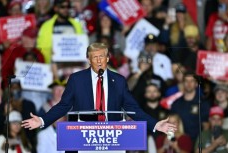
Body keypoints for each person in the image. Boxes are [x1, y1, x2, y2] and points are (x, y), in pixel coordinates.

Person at [22, 43, 177, 141]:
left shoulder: (119, 80)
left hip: (113, 138)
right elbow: (63, 106)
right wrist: (42, 120)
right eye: (94, 57)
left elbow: (133, 109)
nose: (98, 60)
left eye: (101, 56)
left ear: (108, 58)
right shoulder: (76, 79)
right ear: (88, 60)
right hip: (84, 137)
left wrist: (155, 124)